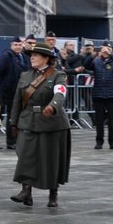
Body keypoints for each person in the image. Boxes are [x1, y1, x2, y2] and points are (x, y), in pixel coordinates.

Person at [9, 42, 71, 208]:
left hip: (52, 123)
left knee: (51, 159)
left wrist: (53, 106)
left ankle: (53, 193)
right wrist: (13, 122)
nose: (32, 58)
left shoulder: (58, 75)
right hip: (28, 120)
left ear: (46, 58)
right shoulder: (25, 76)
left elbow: (60, 92)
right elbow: (17, 101)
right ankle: (26, 191)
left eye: (36, 55)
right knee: (25, 155)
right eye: (31, 55)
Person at [88, 44, 113, 151]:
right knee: (99, 120)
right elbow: (87, 65)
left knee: (112, 120)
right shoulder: (96, 61)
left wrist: (111, 54)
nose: (104, 52)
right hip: (99, 94)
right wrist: (92, 55)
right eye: (103, 51)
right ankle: (99, 141)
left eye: (107, 51)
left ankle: (112, 142)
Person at [0, 37, 28, 150]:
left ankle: (16, 139)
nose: (18, 47)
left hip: (21, 91)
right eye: (15, 45)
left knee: (17, 116)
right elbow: (0, 72)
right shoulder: (6, 56)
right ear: (11, 46)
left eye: (19, 45)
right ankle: (11, 141)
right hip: (9, 92)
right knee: (11, 116)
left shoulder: (23, 57)